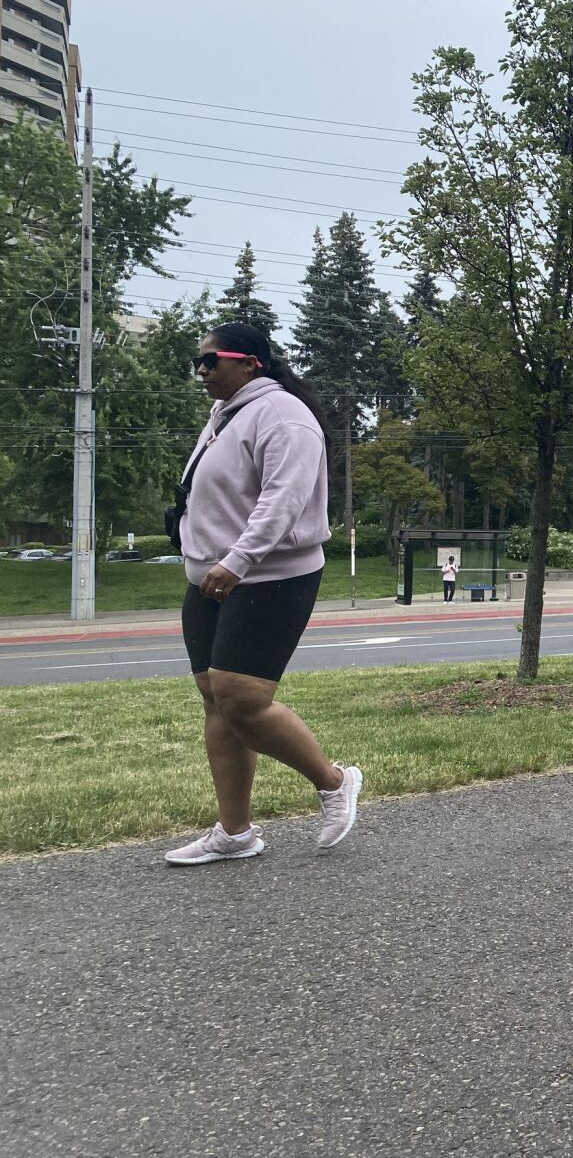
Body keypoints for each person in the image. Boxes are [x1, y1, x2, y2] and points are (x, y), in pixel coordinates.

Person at [163, 322, 363, 865]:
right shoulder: (224, 418)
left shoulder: (284, 416)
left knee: (243, 700)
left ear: (250, 362)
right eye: (198, 362)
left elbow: (283, 501)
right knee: (215, 698)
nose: (201, 371)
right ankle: (236, 833)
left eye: (211, 360)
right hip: (210, 577)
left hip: (270, 574)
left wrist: (239, 559)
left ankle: (334, 781)